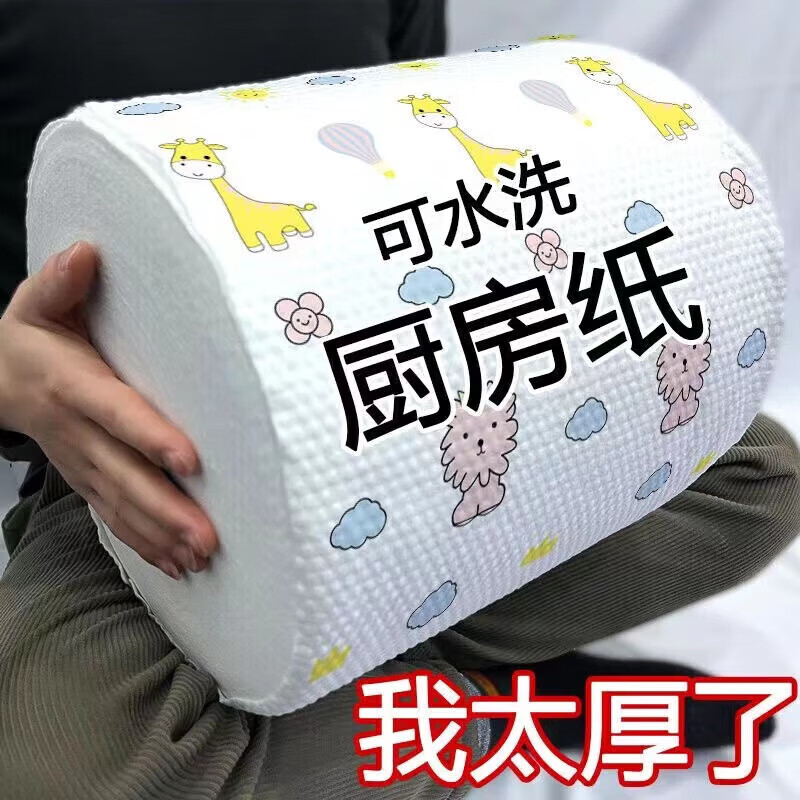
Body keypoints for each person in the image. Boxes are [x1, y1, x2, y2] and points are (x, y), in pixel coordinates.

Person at [1, 3, 799, 798]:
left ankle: (384, 683)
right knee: (67, 776)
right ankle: (466, 708)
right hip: (131, 491)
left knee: (760, 474)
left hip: (404, 415)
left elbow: (417, 168)